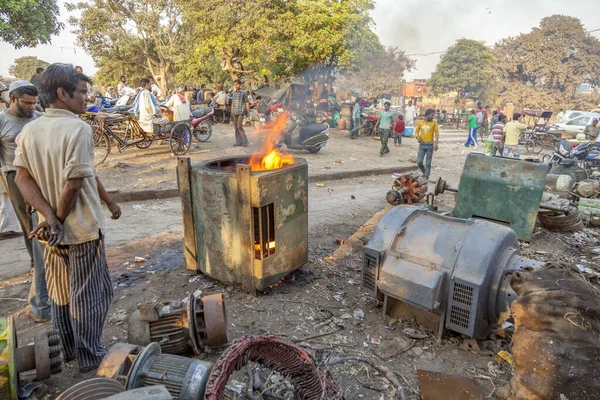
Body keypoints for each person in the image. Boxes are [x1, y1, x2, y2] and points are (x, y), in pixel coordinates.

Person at [14, 63, 121, 373]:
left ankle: (69, 350)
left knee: (60, 293)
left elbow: (23, 180)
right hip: (81, 229)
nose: (86, 98)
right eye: (82, 93)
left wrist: (48, 218)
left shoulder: (30, 131)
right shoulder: (78, 129)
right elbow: (74, 184)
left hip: (51, 232)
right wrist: (59, 217)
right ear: (62, 93)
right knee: (91, 294)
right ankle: (90, 358)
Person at [0, 80, 50, 322]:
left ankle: (41, 265)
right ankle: (36, 261)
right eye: (27, 103)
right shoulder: (2, 121)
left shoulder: (38, 118)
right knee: (27, 223)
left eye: (34, 103)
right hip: (14, 175)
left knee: (40, 219)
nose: (32, 107)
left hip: (39, 174)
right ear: (12, 100)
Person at [414, 109, 439, 179]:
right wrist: (417, 137)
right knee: (419, 161)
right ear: (427, 115)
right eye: (432, 115)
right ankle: (424, 172)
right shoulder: (421, 123)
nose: (433, 117)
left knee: (428, 162)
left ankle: (426, 176)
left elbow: (437, 134)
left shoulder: (434, 123)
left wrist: (436, 144)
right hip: (422, 145)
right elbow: (416, 132)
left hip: (430, 145)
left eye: (433, 115)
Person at [231, 79, 250, 147]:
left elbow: (247, 102)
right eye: (235, 84)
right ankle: (238, 142)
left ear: (240, 85)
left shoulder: (244, 93)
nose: (236, 86)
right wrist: (232, 111)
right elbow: (233, 102)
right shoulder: (234, 93)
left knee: (239, 126)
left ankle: (245, 141)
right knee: (236, 127)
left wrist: (248, 112)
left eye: (237, 84)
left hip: (241, 112)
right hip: (234, 112)